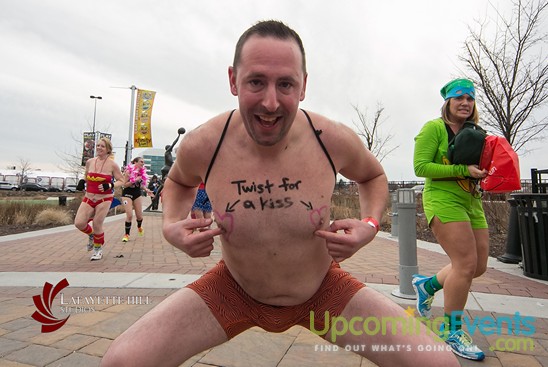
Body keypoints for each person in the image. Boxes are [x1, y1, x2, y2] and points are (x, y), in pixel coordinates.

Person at [101, 20, 458, 367]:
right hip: (232, 290)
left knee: (437, 363)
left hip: (323, 291)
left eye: (285, 84)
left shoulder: (330, 138)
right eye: (256, 81)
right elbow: (179, 181)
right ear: (233, 80)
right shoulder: (205, 143)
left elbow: (373, 175)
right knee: (121, 361)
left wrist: (369, 224)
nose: (271, 103)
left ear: (303, 86)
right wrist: (171, 226)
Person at [412, 78, 489, 361]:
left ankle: (428, 285)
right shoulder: (434, 128)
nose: (465, 103)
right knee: (465, 265)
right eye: (459, 98)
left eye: (469, 99)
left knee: (478, 266)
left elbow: (478, 166)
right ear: (448, 102)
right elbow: (421, 166)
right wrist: (462, 169)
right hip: (443, 199)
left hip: (472, 200)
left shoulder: (476, 132)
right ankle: (452, 331)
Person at [74, 137, 124, 261]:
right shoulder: (90, 162)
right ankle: (91, 235)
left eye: (102, 146)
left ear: (108, 149)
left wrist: (110, 185)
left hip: (104, 198)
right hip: (89, 196)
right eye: (98, 146)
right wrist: (82, 181)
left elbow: (122, 180)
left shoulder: (112, 164)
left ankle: (98, 249)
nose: (99, 148)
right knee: (79, 223)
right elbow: (86, 175)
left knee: (97, 223)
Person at [121, 157, 148, 242]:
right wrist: (134, 180)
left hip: (137, 193)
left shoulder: (141, 173)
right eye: (141, 162)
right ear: (135, 162)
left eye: (143, 162)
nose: (143, 164)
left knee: (139, 216)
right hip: (127, 193)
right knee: (129, 215)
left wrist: (146, 190)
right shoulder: (128, 171)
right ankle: (126, 234)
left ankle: (139, 227)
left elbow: (141, 185)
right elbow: (124, 185)